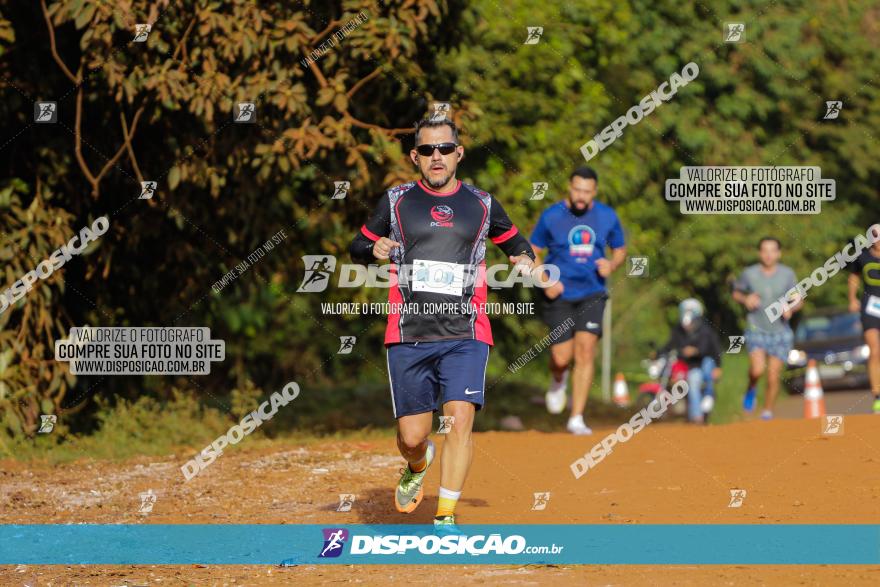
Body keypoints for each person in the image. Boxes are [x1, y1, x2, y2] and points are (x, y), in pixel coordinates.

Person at [348, 117, 536, 531]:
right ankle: (417, 463)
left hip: (465, 332)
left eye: (445, 149)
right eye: (428, 150)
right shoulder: (396, 200)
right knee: (412, 437)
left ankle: (445, 517)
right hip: (408, 332)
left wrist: (524, 260)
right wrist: (372, 246)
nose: (438, 157)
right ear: (415, 156)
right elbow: (357, 244)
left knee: (459, 418)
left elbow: (517, 244)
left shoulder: (483, 204)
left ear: (459, 153)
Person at [529, 167, 626, 435]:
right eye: (576, 190)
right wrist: (544, 279)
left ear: (594, 191)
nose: (581, 196)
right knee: (562, 357)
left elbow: (620, 249)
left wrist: (612, 264)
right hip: (559, 293)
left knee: (585, 352)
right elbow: (531, 250)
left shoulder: (606, 216)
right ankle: (558, 378)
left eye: (586, 191)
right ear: (569, 188)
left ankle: (576, 418)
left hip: (592, 292)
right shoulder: (552, 216)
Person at [732, 237, 802, 420]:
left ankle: (767, 412)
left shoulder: (787, 274)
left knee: (773, 376)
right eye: (765, 250)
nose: (768, 254)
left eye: (772, 250)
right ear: (759, 253)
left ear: (779, 253)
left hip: (780, 333)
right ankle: (751, 389)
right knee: (757, 371)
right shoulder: (750, 273)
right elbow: (736, 292)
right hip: (757, 329)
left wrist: (790, 307)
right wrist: (745, 299)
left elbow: (798, 300)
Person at [656, 298, 723, 423]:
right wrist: (658, 353)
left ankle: (709, 394)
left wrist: (718, 367)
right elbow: (669, 346)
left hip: (705, 364)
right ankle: (697, 417)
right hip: (691, 368)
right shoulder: (678, 331)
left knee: (708, 363)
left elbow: (715, 350)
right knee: (692, 380)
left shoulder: (706, 331)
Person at [847, 225, 880, 414]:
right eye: (874, 236)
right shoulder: (862, 257)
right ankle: (877, 396)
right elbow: (854, 277)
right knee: (875, 350)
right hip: (870, 308)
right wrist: (852, 298)